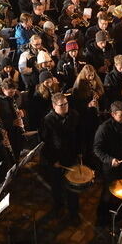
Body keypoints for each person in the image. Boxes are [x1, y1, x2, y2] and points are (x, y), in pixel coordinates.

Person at [39, 92, 82, 224]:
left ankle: (74, 213)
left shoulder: (74, 115)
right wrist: (53, 160)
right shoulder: (48, 120)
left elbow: (80, 135)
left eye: (66, 104)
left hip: (71, 157)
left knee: (73, 187)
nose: (64, 107)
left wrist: (80, 152)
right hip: (56, 160)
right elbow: (45, 143)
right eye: (61, 105)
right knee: (57, 186)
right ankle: (59, 207)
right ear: (54, 105)